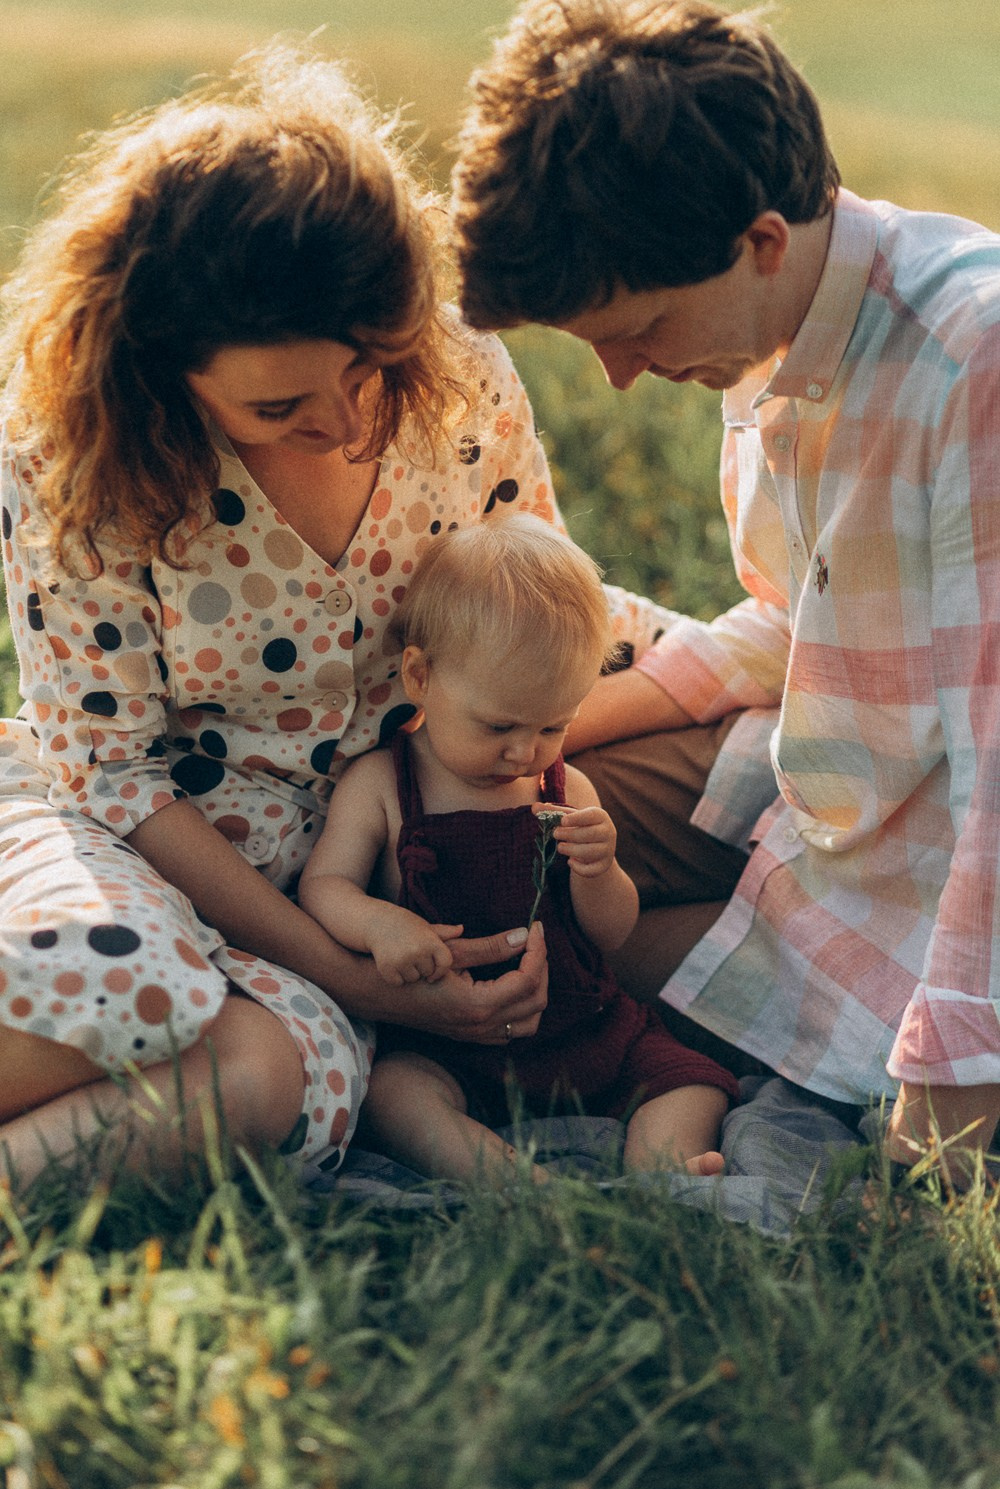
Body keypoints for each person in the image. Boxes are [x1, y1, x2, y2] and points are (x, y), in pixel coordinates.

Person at [0, 42, 675, 1191]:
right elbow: (110, 769)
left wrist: (752, 664)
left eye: (369, 367)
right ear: (165, 370)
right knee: (129, 986)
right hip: (148, 842)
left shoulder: (456, 375)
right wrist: (342, 969)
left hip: (368, 869)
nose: (345, 418)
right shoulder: (73, 462)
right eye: (279, 403)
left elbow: (537, 593)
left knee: (257, 1085)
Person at [449, 0, 1000, 1184]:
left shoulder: (972, 364)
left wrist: (950, 1091)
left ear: (759, 239)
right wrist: (553, 735)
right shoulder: (769, 334)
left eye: (638, 330)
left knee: (570, 960)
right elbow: (793, 623)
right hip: (827, 787)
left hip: (948, 859)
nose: (623, 376)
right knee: (468, 829)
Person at [298, 517, 738, 1185]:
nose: (523, 751)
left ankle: (663, 1168)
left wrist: (600, 869)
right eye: (498, 724)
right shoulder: (385, 784)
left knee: (691, 1080)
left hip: (583, 1026)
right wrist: (380, 924)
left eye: (553, 725)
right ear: (420, 676)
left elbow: (610, 933)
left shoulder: (565, 786)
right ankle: (509, 1180)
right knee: (394, 1095)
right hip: (447, 1043)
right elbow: (325, 885)